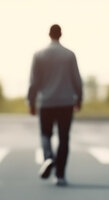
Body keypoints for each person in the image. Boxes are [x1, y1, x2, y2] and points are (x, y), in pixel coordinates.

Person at [28, 24, 83, 186]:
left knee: (46, 134)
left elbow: (34, 82)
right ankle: (60, 175)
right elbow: (76, 79)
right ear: (61, 34)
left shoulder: (39, 55)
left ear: (49, 34)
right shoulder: (69, 55)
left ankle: (49, 157)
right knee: (64, 138)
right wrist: (79, 99)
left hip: (46, 102)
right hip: (66, 102)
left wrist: (31, 101)